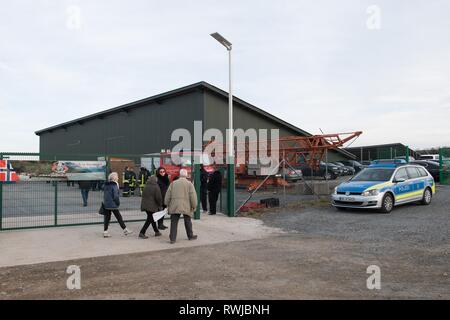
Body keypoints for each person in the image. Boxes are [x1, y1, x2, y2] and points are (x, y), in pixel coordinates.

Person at [165, 169, 197, 244]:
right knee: (188, 221)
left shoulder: (173, 183)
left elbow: (168, 195)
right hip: (186, 205)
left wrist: (166, 203)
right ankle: (190, 236)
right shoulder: (189, 184)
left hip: (175, 205)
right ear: (186, 175)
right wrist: (194, 205)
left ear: (179, 175)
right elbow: (193, 196)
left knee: (174, 222)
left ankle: (172, 239)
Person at [103, 172, 133, 238]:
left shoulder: (106, 185)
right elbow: (116, 196)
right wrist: (118, 203)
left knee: (107, 218)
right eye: (117, 177)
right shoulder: (114, 185)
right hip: (113, 204)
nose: (118, 178)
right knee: (119, 217)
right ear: (114, 178)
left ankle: (105, 232)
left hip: (106, 204)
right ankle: (125, 230)